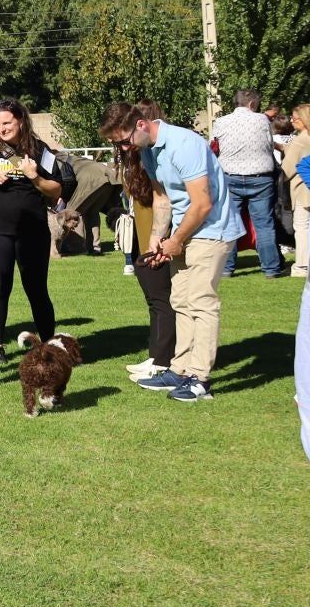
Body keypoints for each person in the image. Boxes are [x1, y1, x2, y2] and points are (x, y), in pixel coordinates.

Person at [101, 101, 241, 401]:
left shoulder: (184, 144)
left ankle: (199, 379)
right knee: (180, 300)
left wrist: (176, 239)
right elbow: (162, 198)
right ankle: (179, 370)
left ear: (141, 124)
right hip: (182, 231)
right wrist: (156, 237)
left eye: (124, 141)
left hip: (211, 231)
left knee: (201, 302)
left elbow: (202, 204)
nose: (123, 149)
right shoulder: (148, 150)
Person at [0, 100, 69, 364]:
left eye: (7, 123)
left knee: (36, 289)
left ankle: (48, 347)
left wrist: (34, 177)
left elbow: (56, 190)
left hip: (33, 230)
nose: (1, 129)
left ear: (21, 121)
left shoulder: (40, 150)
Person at [113, 108, 177, 382]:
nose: (123, 145)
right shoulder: (136, 159)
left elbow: (162, 200)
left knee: (162, 299)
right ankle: (157, 355)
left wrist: (159, 239)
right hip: (142, 236)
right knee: (154, 299)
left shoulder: (153, 158)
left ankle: (163, 360)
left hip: (156, 237)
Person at [213, 88, 286, 278]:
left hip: (230, 176)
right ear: (252, 103)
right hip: (260, 177)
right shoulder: (262, 120)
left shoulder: (221, 122)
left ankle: (227, 267)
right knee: (264, 224)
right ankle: (271, 268)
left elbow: (215, 146)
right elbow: (268, 144)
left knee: (230, 222)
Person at [282, 103, 310, 279]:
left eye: (295, 118)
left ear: (304, 120)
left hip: (302, 189)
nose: (291, 121)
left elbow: (287, 170)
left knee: (302, 227)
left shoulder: (299, 141)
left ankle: (302, 265)